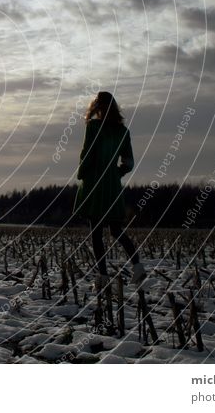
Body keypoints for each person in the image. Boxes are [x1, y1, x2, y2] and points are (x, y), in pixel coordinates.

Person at [75, 91, 145, 292]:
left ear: (97, 106)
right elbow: (129, 162)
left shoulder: (93, 127)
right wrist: (116, 173)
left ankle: (103, 278)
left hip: (95, 183)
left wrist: (82, 173)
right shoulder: (123, 131)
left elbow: (87, 153)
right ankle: (137, 266)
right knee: (116, 230)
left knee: (96, 233)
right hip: (113, 185)